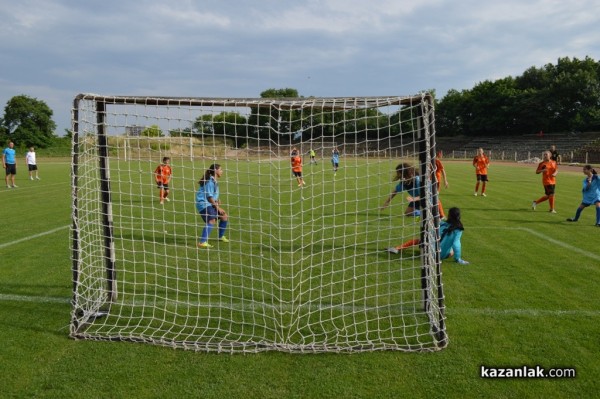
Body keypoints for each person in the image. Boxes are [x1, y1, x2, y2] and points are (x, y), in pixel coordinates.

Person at [387, 207, 469, 265]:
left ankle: (397, 248)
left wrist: (422, 215)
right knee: (451, 251)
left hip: (429, 251)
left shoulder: (442, 224)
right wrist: (458, 259)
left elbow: (433, 222)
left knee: (418, 240)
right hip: (439, 256)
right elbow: (456, 244)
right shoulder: (458, 229)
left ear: (450, 215)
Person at [196, 163, 229, 248]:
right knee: (211, 220)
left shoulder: (214, 181)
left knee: (224, 216)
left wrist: (216, 201)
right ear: (215, 170)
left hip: (209, 203)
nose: (222, 171)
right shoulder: (210, 181)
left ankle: (220, 237)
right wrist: (217, 207)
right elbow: (209, 197)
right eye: (221, 169)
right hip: (203, 204)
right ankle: (202, 242)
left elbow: (211, 196)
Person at [434, 150, 448, 219]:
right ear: (438, 154)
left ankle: (440, 214)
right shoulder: (437, 161)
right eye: (441, 154)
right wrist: (445, 181)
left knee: (434, 196)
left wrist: (445, 180)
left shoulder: (433, 161)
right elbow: (443, 171)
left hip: (433, 180)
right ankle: (441, 214)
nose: (442, 155)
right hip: (436, 180)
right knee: (435, 197)